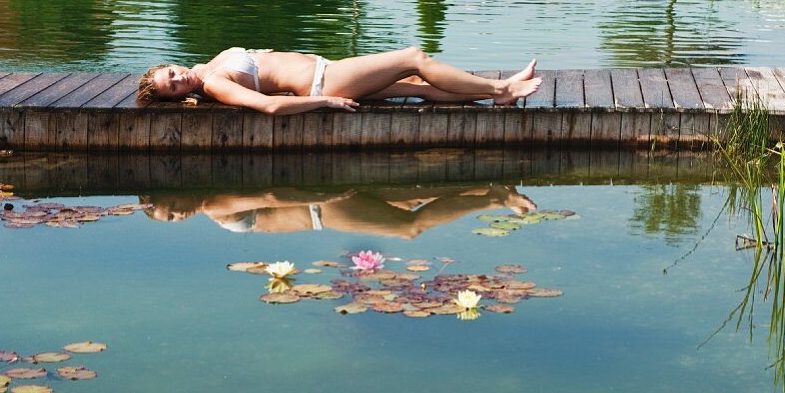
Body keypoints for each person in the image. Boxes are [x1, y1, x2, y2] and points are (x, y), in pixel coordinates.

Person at [136, 46, 542, 113]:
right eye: (174, 86)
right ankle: (500, 89)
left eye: (172, 73)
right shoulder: (213, 85)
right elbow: (270, 105)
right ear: (178, 96)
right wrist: (324, 102)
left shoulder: (209, 66)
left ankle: (495, 96)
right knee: (413, 58)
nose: (179, 78)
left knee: (417, 88)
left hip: (327, 70)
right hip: (324, 83)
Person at [143, 184, 537, 239]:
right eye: (172, 218)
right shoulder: (210, 199)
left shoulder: (213, 205)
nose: (179, 215)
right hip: (322, 206)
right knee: (410, 200)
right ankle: (487, 186)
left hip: (323, 211)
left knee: (408, 228)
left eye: (171, 208)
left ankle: (497, 199)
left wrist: (323, 196)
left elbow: (271, 197)